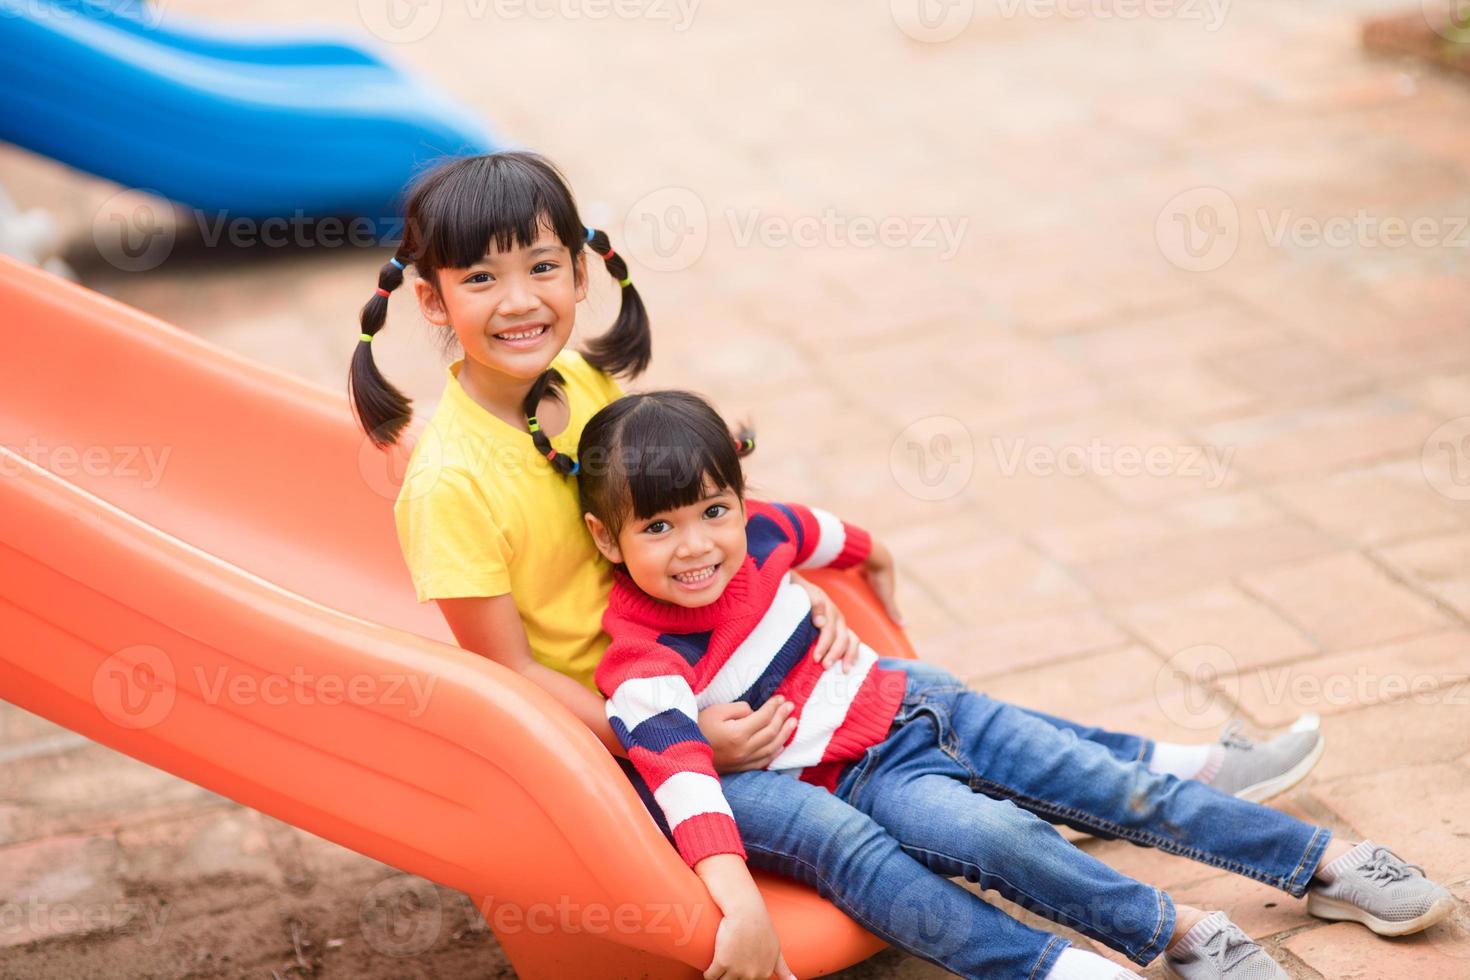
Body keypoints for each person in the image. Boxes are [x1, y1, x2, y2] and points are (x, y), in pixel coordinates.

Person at [351, 150, 1340, 980]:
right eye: (481, 279)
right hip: (655, 730)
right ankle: (1054, 955)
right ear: (432, 299)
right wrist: (684, 725)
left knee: (939, 698)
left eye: (541, 267)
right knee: (849, 831)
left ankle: (1167, 769)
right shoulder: (448, 483)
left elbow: (672, 513)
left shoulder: (575, 375)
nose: (520, 302)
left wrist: (792, 583)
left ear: (580, 269)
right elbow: (513, 673)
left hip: (733, 657)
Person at [581, 389, 1457, 980]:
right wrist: (734, 895)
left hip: (918, 699)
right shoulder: (640, 662)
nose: (696, 545)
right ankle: (1178, 934)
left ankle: (1321, 865)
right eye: (658, 526)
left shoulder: (760, 532)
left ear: (737, 496)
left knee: (1112, 786)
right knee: (997, 835)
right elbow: (686, 782)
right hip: (869, 780)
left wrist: (875, 566)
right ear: (608, 538)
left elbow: (824, 532)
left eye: (712, 512)